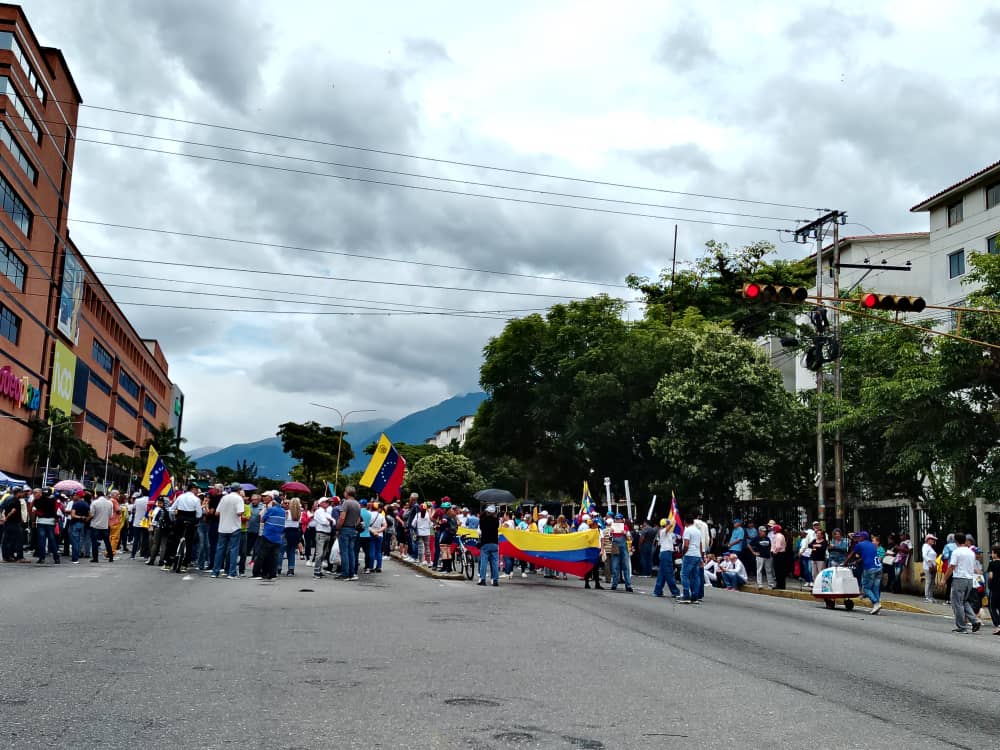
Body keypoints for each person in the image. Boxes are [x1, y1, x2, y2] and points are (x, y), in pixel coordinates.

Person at [943, 533, 982, 634]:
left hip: (959, 579)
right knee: (964, 601)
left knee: (957, 603)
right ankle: (975, 620)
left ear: (956, 541)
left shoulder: (956, 552)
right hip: (969, 580)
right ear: (965, 540)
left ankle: (962, 627)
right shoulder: (971, 552)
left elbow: (951, 566)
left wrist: (944, 579)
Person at [844, 531, 882, 614]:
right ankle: (877, 606)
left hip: (869, 568)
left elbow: (851, 554)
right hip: (879, 567)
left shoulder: (859, 544)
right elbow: (867, 556)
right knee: (875, 588)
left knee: (866, 588)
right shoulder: (872, 545)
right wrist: (857, 561)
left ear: (862, 537)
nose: (858, 538)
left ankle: (876, 603)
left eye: (859, 537)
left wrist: (845, 563)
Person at [211, 484, 245, 579]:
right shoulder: (239, 499)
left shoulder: (224, 498)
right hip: (234, 527)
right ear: (238, 490)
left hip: (222, 527)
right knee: (233, 550)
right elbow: (239, 513)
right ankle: (231, 573)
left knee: (220, 550)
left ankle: (215, 572)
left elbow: (217, 513)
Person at [169, 483, 203, 570]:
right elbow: (199, 514)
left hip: (180, 519)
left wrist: (173, 519)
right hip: (191, 521)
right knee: (189, 542)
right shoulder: (196, 499)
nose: (197, 492)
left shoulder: (180, 497)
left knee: (175, 539)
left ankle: (170, 559)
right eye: (196, 490)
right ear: (193, 489)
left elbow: (172, 509)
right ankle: (185, 563)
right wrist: (195, 520)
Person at [255, 493, 286, 582]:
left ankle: (257, 573)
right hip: (278, 536)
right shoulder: (283, 511)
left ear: (274, 502)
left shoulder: (271, 509)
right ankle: (272, 574)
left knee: (261, 555)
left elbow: (262, 519)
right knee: (273, 556)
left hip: (268, 535)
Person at [336, 487, 362, 580]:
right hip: (353, 529)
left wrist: (338, 528)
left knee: (344, 552)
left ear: (347, 493)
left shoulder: (346, 503)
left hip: (345, 529)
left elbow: (342, 517)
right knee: (351, 552)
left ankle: (345, 573)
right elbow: (359, 519)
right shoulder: (358, 504)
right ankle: (352, 573)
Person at [652, 519, 680, 599]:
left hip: (667, 553)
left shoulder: (668, 533)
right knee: (669, 573)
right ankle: (675, 592)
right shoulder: (663, 531)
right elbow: (670, 526)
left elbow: (675, 539)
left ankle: (658, 591)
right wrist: (673, 520)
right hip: (665, 553)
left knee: (662, 574)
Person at [680, 515, 704, 604]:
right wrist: (701, 557)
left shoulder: (687, 530)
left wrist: (683, 553)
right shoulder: (698, 531)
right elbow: (701, 544)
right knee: (695, 576)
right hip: (697, 554)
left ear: (685, 522)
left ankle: (686, 595)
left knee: (684, 575)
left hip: (689, 554)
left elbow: (686, 544)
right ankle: (695, 596)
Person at [0, 487, 27, 562]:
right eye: (22, 492)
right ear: (18, 493)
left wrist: (3, 517)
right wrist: (6, 517)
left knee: (6, 539)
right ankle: (19, 557)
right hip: (14, 522)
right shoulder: (16, 500)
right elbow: (13, 511)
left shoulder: (7, 498)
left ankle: (7, 556)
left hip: (7, 523)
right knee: (18, 539)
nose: (23, 494)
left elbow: (2, 508)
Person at [477, 504, 500, 587]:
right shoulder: (496, 521)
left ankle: (482, 579)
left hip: (485, 543)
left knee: (484, 562)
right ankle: (495, 580)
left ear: (487, 512)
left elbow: (480, 530)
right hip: (494, 543)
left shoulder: (482, 520)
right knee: (494, 562)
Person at [88, 491, 114, 564]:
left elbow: (91, 514)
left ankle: (95, 558)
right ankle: (111, 557)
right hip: (105, 526)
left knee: (94, 542)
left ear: (97, 495)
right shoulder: (110, 503)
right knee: (107, 542)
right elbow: (110, 515)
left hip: (95, 525)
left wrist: (87, 519)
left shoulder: (95, 502)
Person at [610, 513, 633, 592]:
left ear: (622, 520)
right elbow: (609, 539)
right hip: (615, 547)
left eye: (618, 519)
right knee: (615, 566)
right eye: (616, 519)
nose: (617, 521)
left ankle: (628, 585)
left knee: (626, 566)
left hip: (623, 548)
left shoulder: (625, 527)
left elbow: (629, 538)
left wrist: (625, 533)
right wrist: (610, 533)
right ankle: (614, 584)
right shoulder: (612, 527)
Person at [146, 497, 171, 567]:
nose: (159, 504)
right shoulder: (170, 510)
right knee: (163, 545)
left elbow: (154, 520)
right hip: (166, 529)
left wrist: (152, 527)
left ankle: (152, 560)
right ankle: (161, 561)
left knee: (155, 544)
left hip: (157, 527)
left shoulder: (157, 510)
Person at [68, 490, 90, 564]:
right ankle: (77, 555)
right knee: (79, 540)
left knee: (74, 541)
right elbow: (90, 514)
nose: (74, 496)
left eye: (75, 495)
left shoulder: (76, 504)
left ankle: (75, 558)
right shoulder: (86, 504)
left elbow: (73, 515)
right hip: (82, 524)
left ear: (78, 496)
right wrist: (86, 519)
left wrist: (80, 517)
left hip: (75, 523)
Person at [411, 503, 432, 567]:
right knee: (427, 547)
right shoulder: (428, 515)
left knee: (420, 547)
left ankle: (421, 561)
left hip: (419, 532)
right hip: (427, 532)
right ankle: (429, 562)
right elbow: (431, 524)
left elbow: (413, 524)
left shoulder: (417, 515)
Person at [368, 501, 387, 573]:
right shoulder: (381, 516)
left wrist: (373, 531)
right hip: (380, 535)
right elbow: (385, 525)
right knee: (379, 551)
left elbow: (366, 525)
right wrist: (379, 531)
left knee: (372, 550)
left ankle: (371, 567)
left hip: (371, 534)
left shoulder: (369, 514)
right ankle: (379, 567)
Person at [130, 492, 149, 559]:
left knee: (136, 539)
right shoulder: (151, 500)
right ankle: (145, 554)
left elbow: (133, 508)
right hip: (146, 522)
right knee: (146, 539)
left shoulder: (137, 500)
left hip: (137, 521)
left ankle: (133, 554)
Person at [921, 533, 939, 603]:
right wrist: (929, 561)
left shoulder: (930, 547)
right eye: (932, 539)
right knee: (928, 581)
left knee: (932, 582)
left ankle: (931, 596)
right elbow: (924, 555)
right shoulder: (925, 546)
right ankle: (927, 597)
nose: (933, 541)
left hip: (933, 567)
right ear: (928, 540)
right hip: (928, 567)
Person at [987, 545, 1000, 636]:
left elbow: (990, 576)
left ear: (995, 553)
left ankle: (998, 624)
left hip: (994, 588)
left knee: (992, 607)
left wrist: (989, 583)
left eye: (992, 552)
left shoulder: (992, 564)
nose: (991, 554)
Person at [771, 524, 788, 589]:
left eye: (774, 529)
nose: (773, 530)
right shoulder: (782, 536)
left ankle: (779, 585)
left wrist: (775, 552)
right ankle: (782, 585)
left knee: (778, 571)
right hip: (782, 554)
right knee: (781, 571)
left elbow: (778, 546)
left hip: (778, 554)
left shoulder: (778, 536)